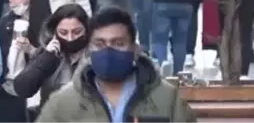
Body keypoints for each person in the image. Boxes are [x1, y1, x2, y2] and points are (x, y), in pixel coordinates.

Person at [36, 7, 197, 123]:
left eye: (118, 43)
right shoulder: (64, 102)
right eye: (99, 44)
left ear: (134, 49)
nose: (108, 50)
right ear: (89, 49)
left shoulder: (167, 98)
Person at [0, 0, 51, 123]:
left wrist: (31, 50)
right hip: (8, 91)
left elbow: (53, 62)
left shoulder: (48, 26)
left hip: (35, 94)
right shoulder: (7, 21)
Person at [14, 4, 90, 116]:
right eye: (63, 33)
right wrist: (46, 58)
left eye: (76, 32)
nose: (70, 38)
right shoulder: (48, 53)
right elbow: (23, 88)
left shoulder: (95, 54)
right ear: (54, 33)